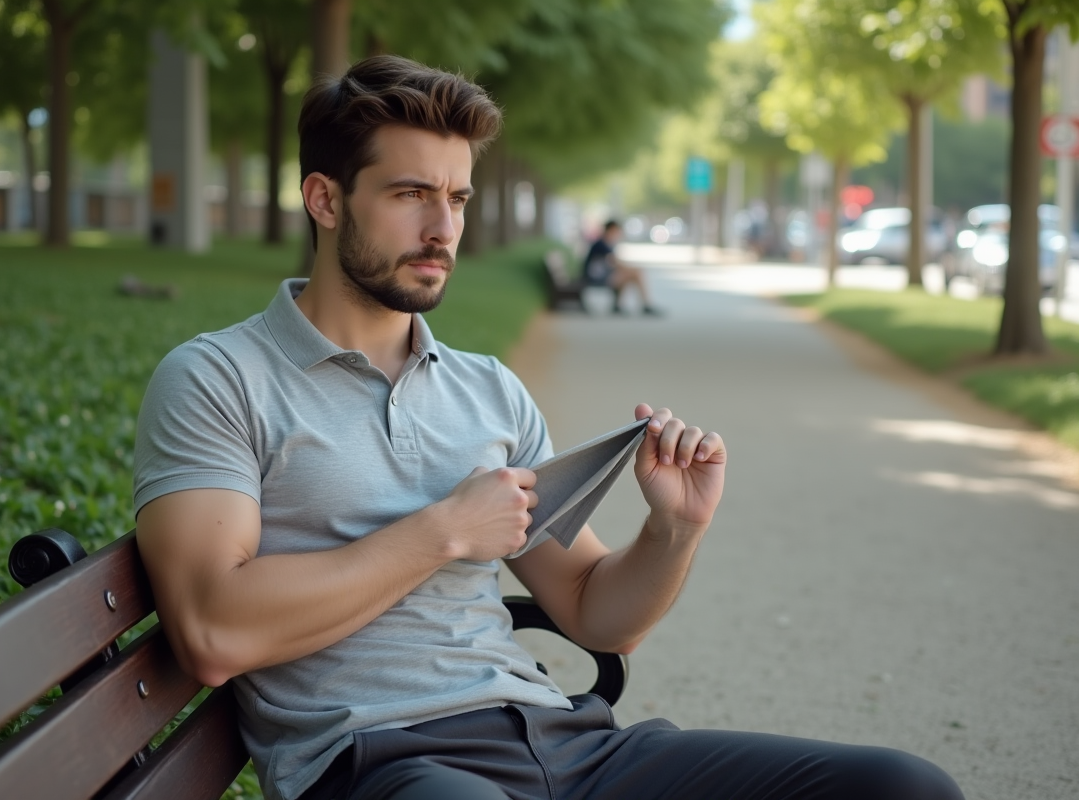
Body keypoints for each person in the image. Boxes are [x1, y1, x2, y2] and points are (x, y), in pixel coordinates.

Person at [132, 55, 965, 800]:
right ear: (324, 199)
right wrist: (443, 532)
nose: (443, 229)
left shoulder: (487, 389)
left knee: (902, 786)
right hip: (385, 762)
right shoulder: (219, 379)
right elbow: (213, 631)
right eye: (411, 195)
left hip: (563, 743)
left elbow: (596, 613)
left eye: (457, 198)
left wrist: (674, 530)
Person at [583, 220, 662, 315]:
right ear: (611, 230)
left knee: (632, 274)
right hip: (596, 279)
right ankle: (645, 305)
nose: (618, 234)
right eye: (616, 231)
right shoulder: (601, 244)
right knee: (634, 273)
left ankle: (620, 304)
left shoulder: (606, 243)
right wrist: (630, 269)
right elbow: (615, 262)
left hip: (601, 276)